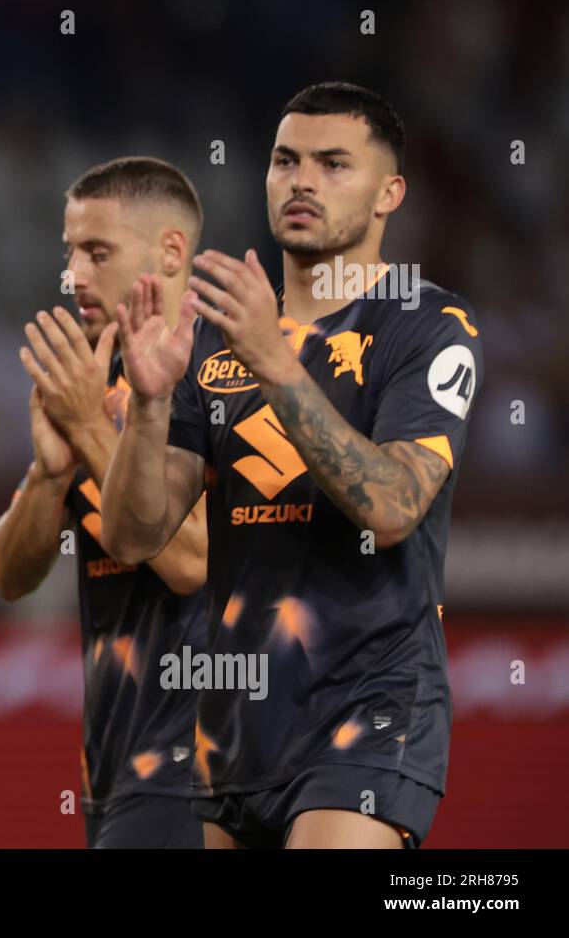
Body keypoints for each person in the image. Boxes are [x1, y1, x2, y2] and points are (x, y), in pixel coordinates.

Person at [102, 83, 482, 848]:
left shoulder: (428, 327)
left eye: (334, 164)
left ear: (389, 193)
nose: (302, 181)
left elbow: (393, 505)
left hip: (371, 704)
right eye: (286, 161)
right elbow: (134, 535)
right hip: (237, 719)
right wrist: (146, 406)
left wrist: (277, 364)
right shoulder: (209, 342)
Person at [0, 157, 209, 848]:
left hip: (204, 762)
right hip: (114, 757)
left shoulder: (227, 373)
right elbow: (10, 576)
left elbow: (189, 560)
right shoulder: (95, 381)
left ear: (171, 250)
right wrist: (53, 475)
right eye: (70, 252)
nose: (74, 275)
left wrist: (89, 429)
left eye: (97, 252)